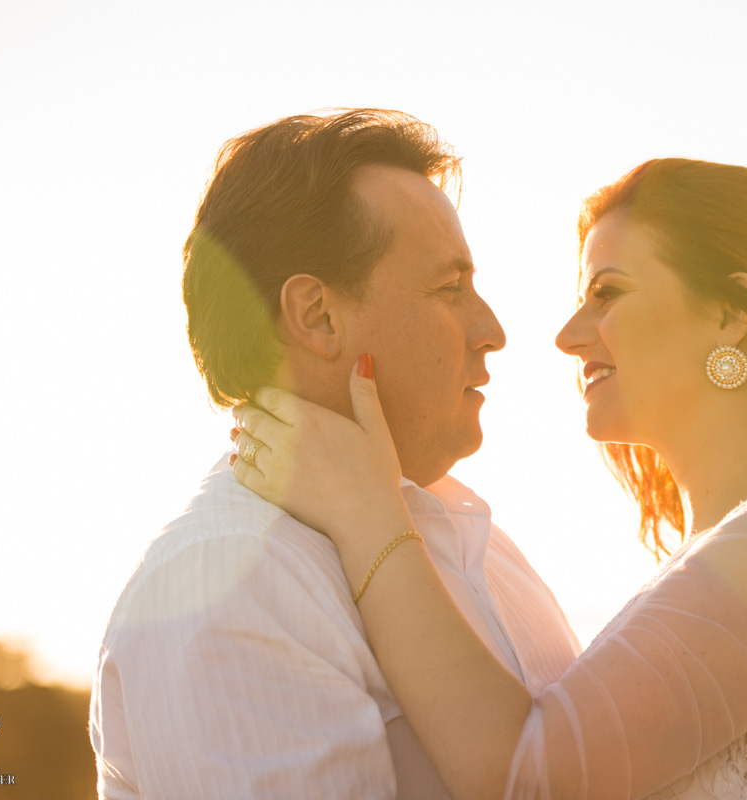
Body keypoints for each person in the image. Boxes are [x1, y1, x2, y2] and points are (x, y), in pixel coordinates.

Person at [231, 158, 747, 799]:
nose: (570, 333)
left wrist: (368, 514)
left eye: (608, 291)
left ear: (730, 313)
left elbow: (526, 777)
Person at [89, 110, 581, 799]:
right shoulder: (224, 580)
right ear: (317, 315)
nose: (492, 330)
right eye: (450, 288)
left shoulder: (478, 540)